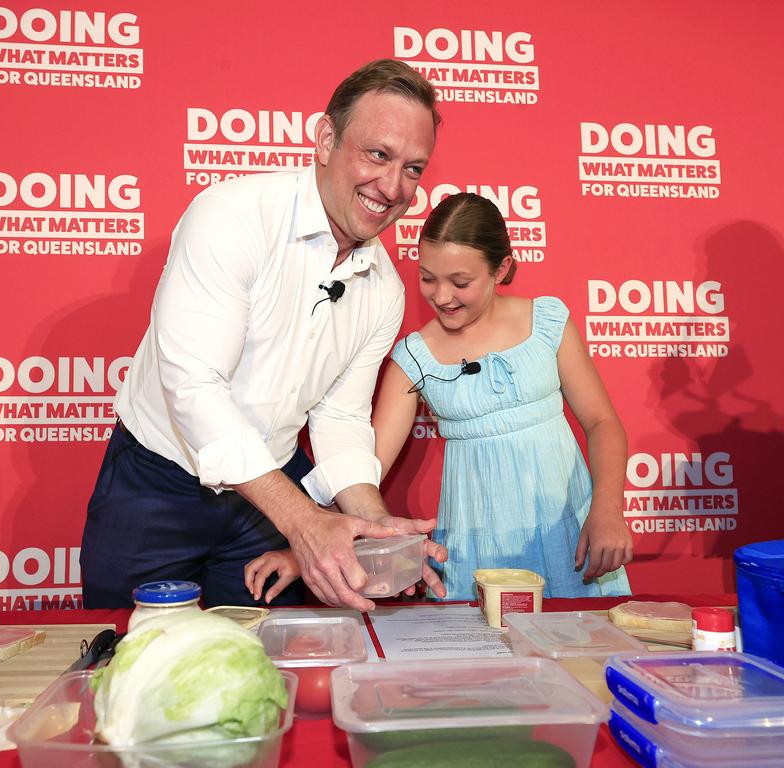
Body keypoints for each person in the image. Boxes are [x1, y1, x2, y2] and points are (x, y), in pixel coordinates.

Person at [81, 59, 448, 612]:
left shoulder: (385, 290)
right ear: (325, 139)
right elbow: (196, 390)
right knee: (128, 666)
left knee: (260, 667)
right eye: (377, 154)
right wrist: (303, 521)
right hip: (157, 489)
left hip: (265, 505)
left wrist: (373, 523)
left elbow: (340, 416)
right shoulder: (230, 217)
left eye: (413, 168)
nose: (393, 187)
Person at [245, 193, 632, 603]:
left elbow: (601, 422)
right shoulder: (415, 357)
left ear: (500, 269)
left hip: (569, 534)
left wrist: (607, 510)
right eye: (428, 278)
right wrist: (306, 544)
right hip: (472, 549)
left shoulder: (548, 322)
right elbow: (361, 470)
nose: (442, 296)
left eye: (460, 282)